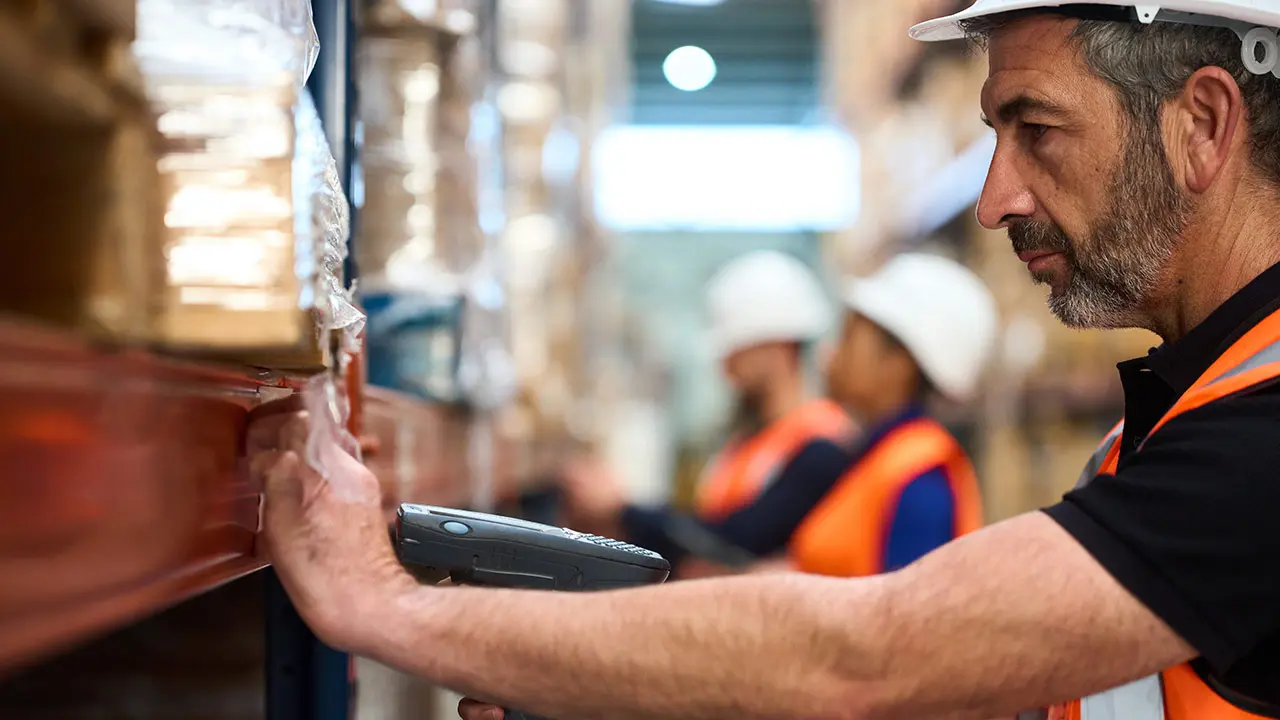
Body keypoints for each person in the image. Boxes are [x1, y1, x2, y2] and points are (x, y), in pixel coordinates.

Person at [253, 3, 1280, 718]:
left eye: (1036, 129)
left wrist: (384, 606)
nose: (993, 197)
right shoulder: (1172, 418)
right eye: (991, 137)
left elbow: (872, 653)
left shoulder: (1261, 434)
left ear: (1200, 125)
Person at [554, 249, 858, 579]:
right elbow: (707, 531)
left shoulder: (822, 447)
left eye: (737, 346)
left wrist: (624, 510)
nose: (724, 361)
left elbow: (735, 542)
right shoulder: (753, 442)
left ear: (778, 346)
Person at [785, 252, 997, 577]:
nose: (832, 354)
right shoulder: (879, 457)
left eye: (849, 337)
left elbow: (911, 619)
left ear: (898, 363)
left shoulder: (920, 481)